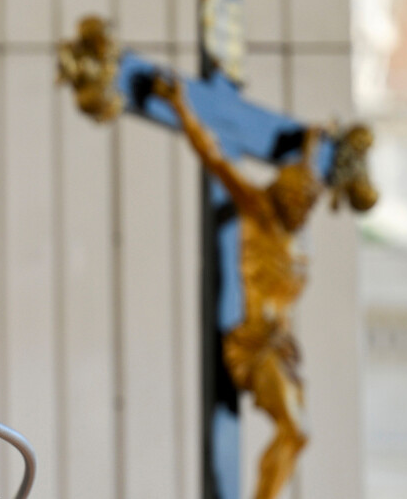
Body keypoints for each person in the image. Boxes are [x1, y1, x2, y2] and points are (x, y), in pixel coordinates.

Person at [154, 76, 318, 499]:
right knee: (294, 430)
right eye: (300, 199)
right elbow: (214, 157)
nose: (303, 209)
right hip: (251, 342)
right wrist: (181, 108)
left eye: (307, 202)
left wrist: (314, 144)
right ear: (284, 195)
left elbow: (310, 166)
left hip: (277, 343)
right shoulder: (260, 211)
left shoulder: (290, 235)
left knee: (298, 433)